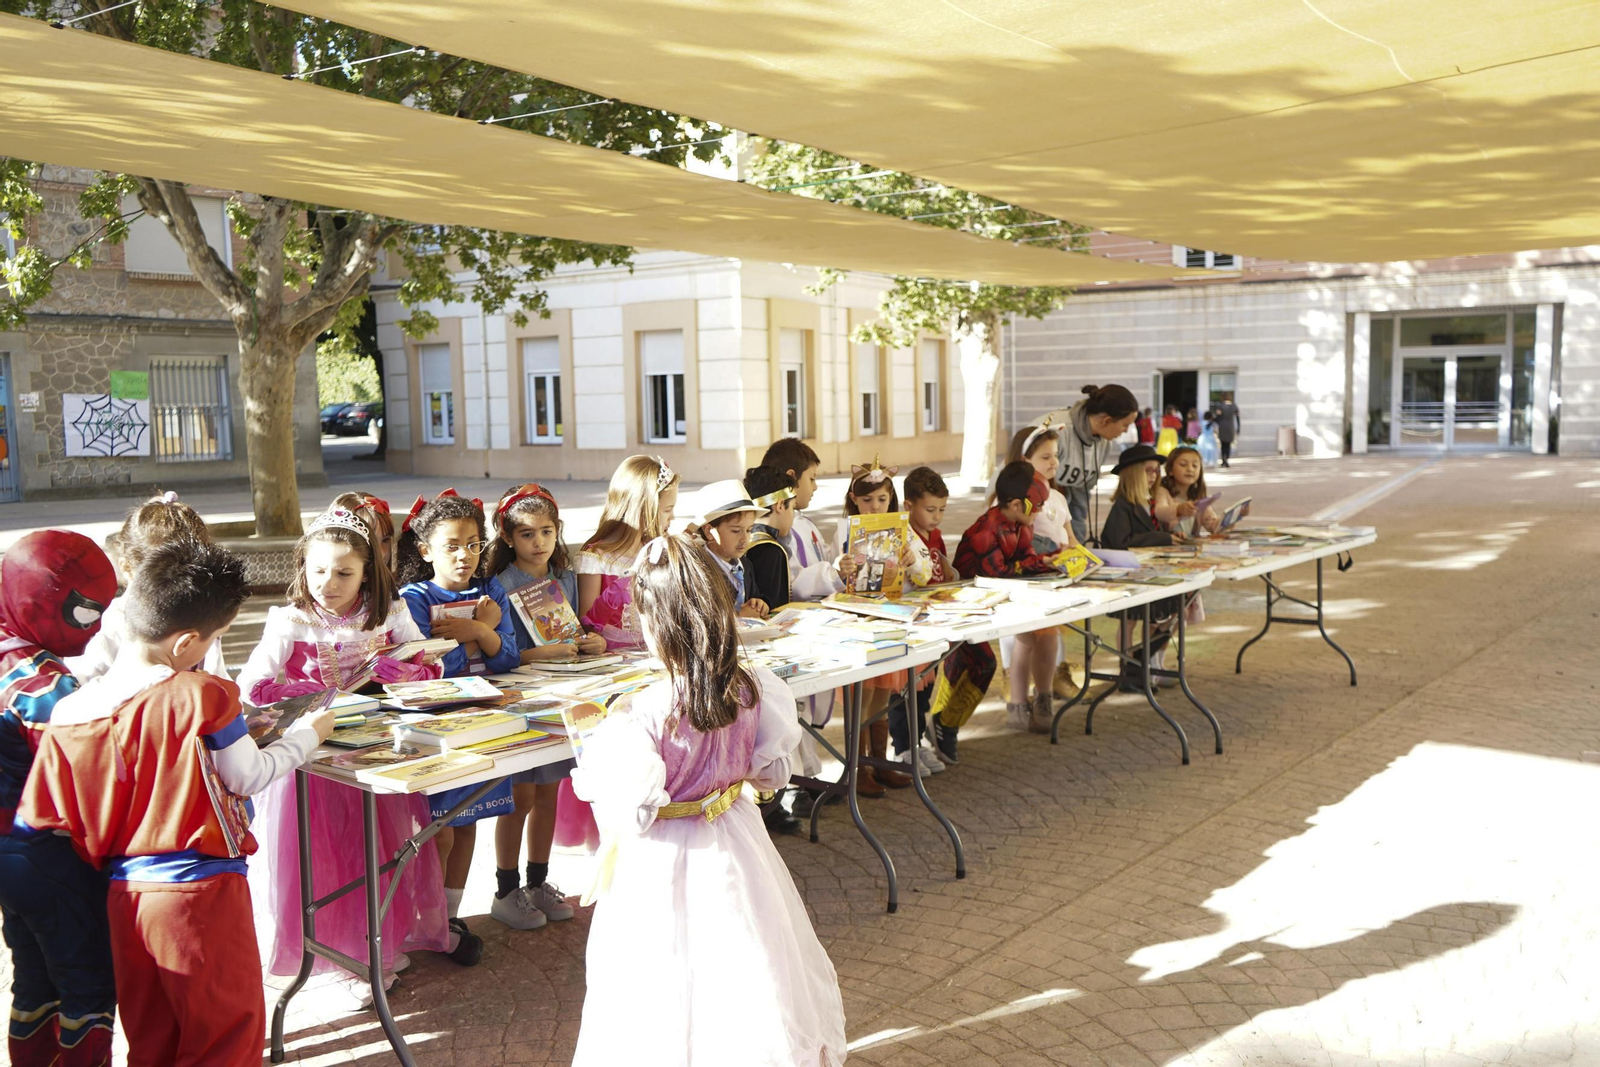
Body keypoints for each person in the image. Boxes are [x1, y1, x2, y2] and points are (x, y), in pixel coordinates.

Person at [19, 541, 337, 1066]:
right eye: (214, 639)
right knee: (224, 1038)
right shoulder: (202, 693)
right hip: (200, 895)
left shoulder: (70, 711)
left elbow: (57, 816)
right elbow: (248, 775)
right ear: (189, 642)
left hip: (124, 897)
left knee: (151, 1040)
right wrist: (306, 735)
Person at [568, 534, 846, 1067]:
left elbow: (634, 809)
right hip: (738, 839)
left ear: (654, 624)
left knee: (668, 971)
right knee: (748, 958)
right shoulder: (753, 689)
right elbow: (770, 777)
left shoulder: (640, 713)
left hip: (665, 859)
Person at [238, 508, 463, 999]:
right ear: (303, 568)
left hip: (376, 753)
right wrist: (307, 689)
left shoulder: (389, 612)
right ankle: (341, 957)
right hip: (312, 764)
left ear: (368, 571)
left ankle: (371, 944)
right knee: (322, 858)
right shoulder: (291, 620)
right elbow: (251, 685)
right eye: (319, 570)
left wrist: (401, 669)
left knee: (376, 853)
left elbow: (429, 662)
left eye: (344, 572)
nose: (329, 583)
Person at [0, 532, 118, 1067]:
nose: (92, 627)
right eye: (83, 612)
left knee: (34, 981)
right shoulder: (41, 682)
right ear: (40, 601)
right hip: (40, 848)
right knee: (86, 984)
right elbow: (92, 765)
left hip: (12, 857)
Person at [397, 491, 519, 943]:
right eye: (451, 545)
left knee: (468, 823)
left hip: (485, 720)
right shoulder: (411, 600)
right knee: (439, 830)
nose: (464, 555)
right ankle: (422, 917)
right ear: (426, 549)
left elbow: (508, 658)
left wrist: (483, 632)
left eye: (473, 544)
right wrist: (475, 636)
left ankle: (448, 917)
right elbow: (423, 669)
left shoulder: (490, 591)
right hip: (438, 728)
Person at [485, 483, 600, 931]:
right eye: (528, 534)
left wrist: (588, 641)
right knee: (520, 797)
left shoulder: (564, 577)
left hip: (561, 697)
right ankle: (505, 889)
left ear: (558, 532)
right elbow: (499, 654)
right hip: (518, 699)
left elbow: (572, 631)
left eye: (547, 532)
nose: (539, 543)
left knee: (550, 793)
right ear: (509, 539)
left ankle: (538, 882)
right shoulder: (499, 584)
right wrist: (544, 654)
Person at [929, 462, 1059, 759]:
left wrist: (1050, 562)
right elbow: (997, 573)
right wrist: (1041, 564)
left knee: (975, 665)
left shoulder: (1019, 524)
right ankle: (944, 725)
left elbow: (1025, 559)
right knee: (977, 664)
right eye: (1036, 505)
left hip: (985, 608)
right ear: (1016, 504)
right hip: (959, 611)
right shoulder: (986, 531)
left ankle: (944, 726)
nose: (1038, 511)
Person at [758, 439, 859, 812]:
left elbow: (821, 562)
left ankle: (809, 778)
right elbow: (792, 582)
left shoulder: (805, 523)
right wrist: (830, 573)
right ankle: (793, 789)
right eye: (811, 479)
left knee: (806, 708)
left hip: (813, 624)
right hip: (792, 628)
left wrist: (838, 567)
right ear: (789, 481)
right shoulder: (774, 530)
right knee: (791, 710)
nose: (815, 487)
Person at [831, 457, 931, 796]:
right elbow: (832, 574)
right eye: (866, 499)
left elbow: (925, 574)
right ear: (854, 501)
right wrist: (838, 566)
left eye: (882, 499)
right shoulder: (844, 530)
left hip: (891, 620)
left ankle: (879, 762)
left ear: (892, 499)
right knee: (861, 694)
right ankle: (857, 769)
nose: (874, 506)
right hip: (857, 623)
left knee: (882, 692)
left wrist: (911, 559)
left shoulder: (903, 531)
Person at [67, 491, 228, 681]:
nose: (174, 589)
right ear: (127, 567)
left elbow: (218, 676)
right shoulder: (105, 629)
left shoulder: (199, 620)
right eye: (160, 578)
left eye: (189, 576)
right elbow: (83, 694)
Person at [1100, 444, 1184, 691]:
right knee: (1128, 623)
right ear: (1133, 474)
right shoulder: (1123, 506)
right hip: (1126, 575)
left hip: (1147, 573)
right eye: (1148, 471)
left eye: (1156, 471)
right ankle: (1127, 671)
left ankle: (1140, 663)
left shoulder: (1148, 503)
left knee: (1167, 615)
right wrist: (1163, 539)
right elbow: (1121, 542)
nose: (1154, 476)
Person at [576, 455, 681, 650]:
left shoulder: (656, 552)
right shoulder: (596, 557)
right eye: (668, 509)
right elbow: (586, 626)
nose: (673, 516)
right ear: (643, 508)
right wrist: (608, 602)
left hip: (654, 652)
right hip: (612, 657)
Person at [893, 466, 954, 773]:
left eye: (942, 510)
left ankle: (916, 743)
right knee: (907, 688)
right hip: (907, 622)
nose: (937, 517)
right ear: (908, 506)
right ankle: (903, 748)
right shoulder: (902, 537)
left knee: (927, 686)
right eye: (930, 510)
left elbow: (941, 572)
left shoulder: (935, 535)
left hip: (933, 618)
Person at [1043, 384, 1140, 545]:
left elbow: (1081, 495)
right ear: (1106, 420)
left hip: (1066, 516)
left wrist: (1078, 541)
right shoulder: (1059, 430)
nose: (1125, 431)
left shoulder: (1103, 443)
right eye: (1125, 425)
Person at [695, 479, 770, 619]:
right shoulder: (699, 571)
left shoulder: (745, 564)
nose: (744, 539)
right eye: (736, 531)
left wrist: (759, 605)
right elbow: (701, 619)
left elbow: (753, 597)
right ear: (709, 532)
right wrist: (738, 616)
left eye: (748, 530)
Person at [742, 465, 799, 612]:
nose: (793, 515)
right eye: (793, 508)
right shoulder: (770, 550)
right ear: (780, 505)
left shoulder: (744, 538)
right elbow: (774, 610)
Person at [1152, 446, 1221, 539]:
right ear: (1170, 470)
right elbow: (1159, 512)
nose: (1190, 469)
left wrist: (1232, 518)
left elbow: (1213, 525)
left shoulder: (1198, 496)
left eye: (1195, 465)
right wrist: (1179, 510)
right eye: (1183, 464)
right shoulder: (1162, 492)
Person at [1213, 392, 1241, 467]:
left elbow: (1217, 417)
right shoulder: (1234, 406)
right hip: (1230, 426)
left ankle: (1223, 460)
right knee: (1228, 444)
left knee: (1223, 444)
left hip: (1222, 426)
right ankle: (1227, 459)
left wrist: (1211, 421)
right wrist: (1238, 427)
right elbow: (1238, 417)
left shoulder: (1220, 406)